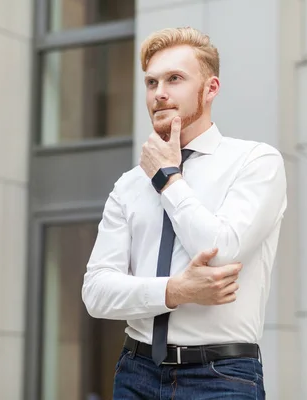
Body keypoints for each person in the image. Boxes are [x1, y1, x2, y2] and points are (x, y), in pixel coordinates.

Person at [82, 26, 287, 399]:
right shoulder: (129, 184)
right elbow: (96, 292)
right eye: (151, 82)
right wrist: (174, 290)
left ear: (210, 89)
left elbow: (221, 251)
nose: (159, 93)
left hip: (221, 377)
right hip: (135, 372)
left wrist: (167, 179)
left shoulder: (255, 162)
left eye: (174, 79)